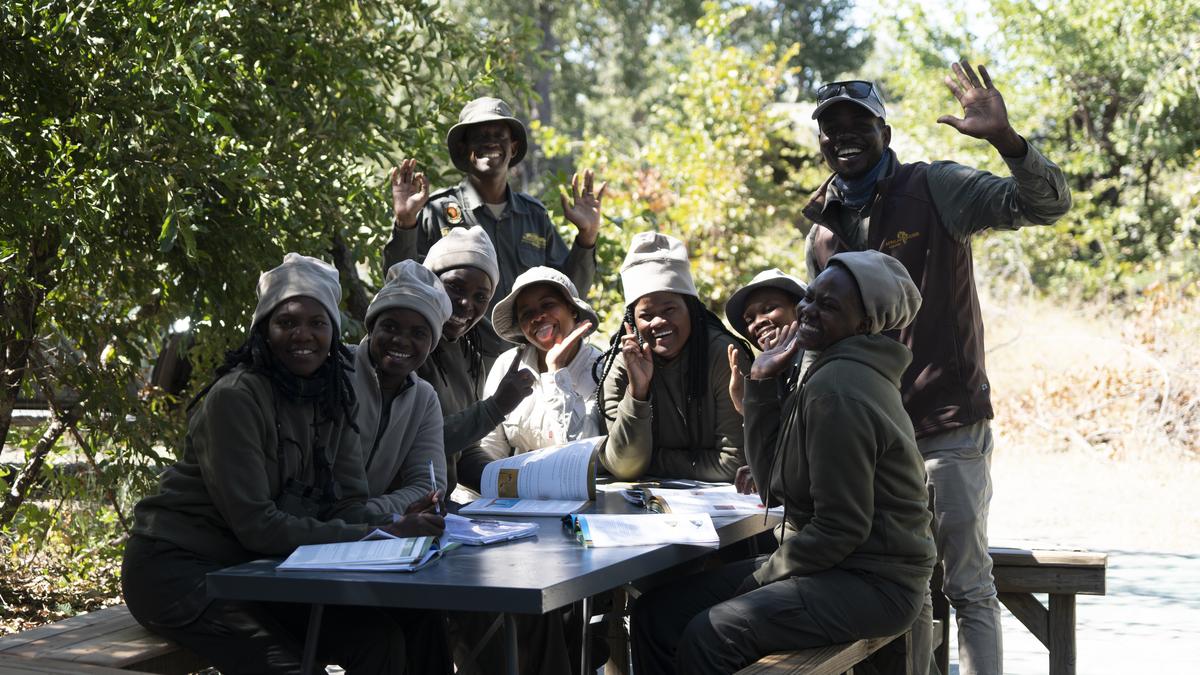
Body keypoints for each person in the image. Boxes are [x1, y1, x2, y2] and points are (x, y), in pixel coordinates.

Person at [802, 62, 1072, 675]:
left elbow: (1047, 205)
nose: (845, 135)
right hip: (869, 439)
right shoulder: (820, 230)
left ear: (885, 133)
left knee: (968, 585)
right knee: (907, 588)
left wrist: (1007, 140)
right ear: (820, 140)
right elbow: (821, 338)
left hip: (945, 424)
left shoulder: (934, 188)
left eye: (859, 123)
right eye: (831, 126)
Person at [122, 253, 448, 674]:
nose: (304, 335)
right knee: (290, 667)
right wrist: (378, 534)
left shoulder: (334, 398)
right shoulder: (235, 398)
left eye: (318, 323)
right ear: (264, 330)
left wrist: (398, 521)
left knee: (389, 634)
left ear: (334, 333)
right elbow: (257, 526)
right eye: (288, 321)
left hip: (259, 570)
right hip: (181, 571)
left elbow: (348, 504)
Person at [630, 250, 936, 675]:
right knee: (657, 613)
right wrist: (760, 384)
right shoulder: (822, 368)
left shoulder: (839, 389)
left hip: (873, 581)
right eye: (810, 297)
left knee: (712, 634)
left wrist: (759, 579)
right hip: (833, 564)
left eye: (828, 306)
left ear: (864, 324)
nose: (808, 310)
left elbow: (841, 528)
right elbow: (773, 484)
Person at [387, 96, 606, 356]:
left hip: (524, 360)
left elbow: (570, 293)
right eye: (480, 136)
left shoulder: (533, 215)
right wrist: (404, 222)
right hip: (456, 360)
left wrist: (587, 237)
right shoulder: (436, 211)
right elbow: (401, 286)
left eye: (499, 135)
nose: (490, 142)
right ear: (463, 149)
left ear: (513, 147)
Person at [595, 232, 751, 482]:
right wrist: (638, 392)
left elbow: (732, 464)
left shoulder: (723, 355)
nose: (658, 322)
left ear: (690, 309)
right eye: (646, 315)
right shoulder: (623, 363)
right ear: (632, 322)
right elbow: (624, 466)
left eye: (669, 309)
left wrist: (651, 460)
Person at [416, 225, 535, 497]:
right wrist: (495, 408)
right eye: (454, 287)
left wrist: (521, 487)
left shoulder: (469, 356)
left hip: (439, 509)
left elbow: (464, 454)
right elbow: (417, 441)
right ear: (430, 281)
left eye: (481, 297)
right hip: (397, 513)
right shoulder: (404, 348)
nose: (465, 303)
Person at [352, 260, 453, 515]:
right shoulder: (338, 370)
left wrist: (366, 514)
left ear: (431, 344)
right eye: (390, 326)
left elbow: (428, 486)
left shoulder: (424, 398)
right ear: (372, 327)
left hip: (361, 532)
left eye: (419, 333)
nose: (401, 340)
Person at [482, 266, 604, 457]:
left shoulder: (600, 370)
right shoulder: (507, 365)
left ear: (572, 309)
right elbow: (490, 445)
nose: (538, 317)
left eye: (548, 305)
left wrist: (556, 372)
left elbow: (582, 452)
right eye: (526, 313)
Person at [723, 268, 808, 494]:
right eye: (749, 319)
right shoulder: (779, 374)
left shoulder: (818, 366)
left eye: (769, 309)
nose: (758, 323)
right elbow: (769, 473)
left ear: (800, 310)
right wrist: (747, 407)